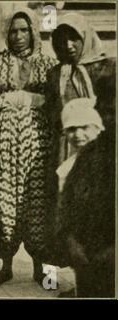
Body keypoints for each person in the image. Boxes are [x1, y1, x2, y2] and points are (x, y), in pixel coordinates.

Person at [0, 8, 57, 288]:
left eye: (24, 30)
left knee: (38, 206)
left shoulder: (49, 64)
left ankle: (40, 267)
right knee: (2, 206)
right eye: (13, 31)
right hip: (4, 143)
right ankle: (6, 266)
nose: (19, 36)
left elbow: (55, 108)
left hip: (37, 145)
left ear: (34, 31)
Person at [44, 12, 116, 235]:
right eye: (62, 40)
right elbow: (52, 112)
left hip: (100, 143)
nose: (69, 45)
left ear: (86, 37)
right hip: (66, 146)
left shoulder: (108, 67)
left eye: (74, 38)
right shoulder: (56, 73)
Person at [56, 79, 115, 297]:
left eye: (84, 127)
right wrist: (70, 240)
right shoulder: (71, 165)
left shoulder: (107, 161)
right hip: (84, 249)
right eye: (71, 129)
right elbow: (65, 208)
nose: (78, 135)